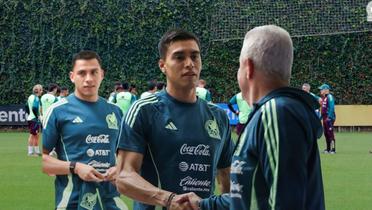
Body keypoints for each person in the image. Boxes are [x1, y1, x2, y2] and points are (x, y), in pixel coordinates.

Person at [175, 25, 325, 210]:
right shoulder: (267, 115)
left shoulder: (276, 113)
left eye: (238, 66)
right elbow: (248, 196)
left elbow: (285, 202)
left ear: (248, 67)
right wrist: (203, 204)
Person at [115, 29, 235, 210]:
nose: (189, 64)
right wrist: (168, 199)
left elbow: (227, 178)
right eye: (179, 57)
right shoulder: (144, 110)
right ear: (162, 65)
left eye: (195, 56)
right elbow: (123, 176)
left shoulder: (218, 117)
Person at [41, 50, 127, 210]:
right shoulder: (57, 111)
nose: (88, 79)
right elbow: (45, 163)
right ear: (72, 76)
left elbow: (123, 155)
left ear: (102, 74)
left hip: (110, 200)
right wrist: (76, 167)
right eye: (82, 73)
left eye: (94, 72)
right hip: (72, 202)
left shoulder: (115, 111)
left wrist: (118, 168)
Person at [319, 83, 336, 154]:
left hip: (329, 118)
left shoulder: (330, 97)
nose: (320, 91)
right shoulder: (324, 98)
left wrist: (329, 117)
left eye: (321, 89)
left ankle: (333, 149)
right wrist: (319, 118)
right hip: (325, 118)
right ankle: (328, 149)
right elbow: (323, 110)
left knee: (330, 133)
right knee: (326, 133)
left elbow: (332, 107)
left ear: (326, 90)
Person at [27, 84, 43, 156]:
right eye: (41, 90)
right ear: (38, 90)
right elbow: (34, 108)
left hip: (30, 118)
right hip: (34, 119)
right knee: (34, 135)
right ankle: (33, 152)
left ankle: (34, 151)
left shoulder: (30, 97)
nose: (42, 91)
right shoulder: (36, 98)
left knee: (34, 135)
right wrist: (37, 116)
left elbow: (26, 106)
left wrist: (30, 114)